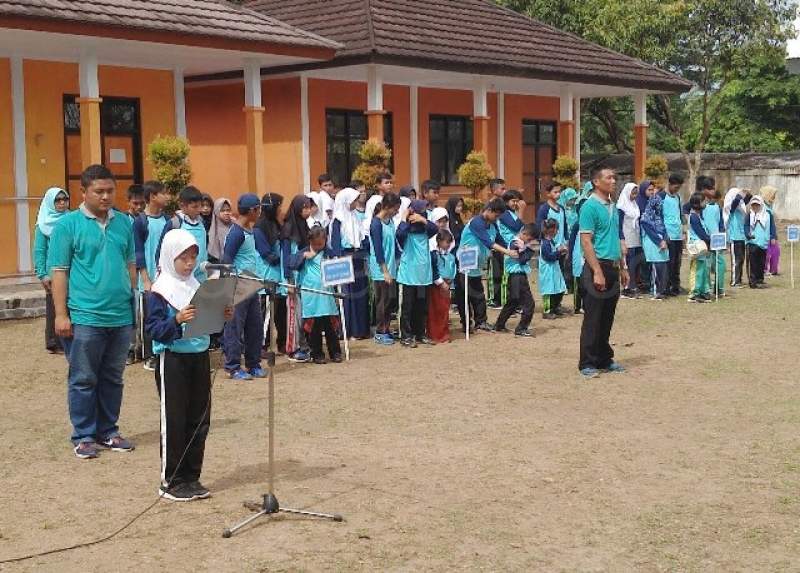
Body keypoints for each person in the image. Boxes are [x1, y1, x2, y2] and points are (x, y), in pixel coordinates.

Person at [49, 164, 137, 459]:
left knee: (113, 377)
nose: (105, 196)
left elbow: (130, 265)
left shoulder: (124, 222)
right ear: (83, 192)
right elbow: (59, 272)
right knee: (84, 377)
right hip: (85, 315)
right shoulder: (67, 226)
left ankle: (108, 431)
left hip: (120, 316)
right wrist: (61, 314)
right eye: (98, 191)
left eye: (110, 191)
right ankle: (84, 435)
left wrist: (133, 300)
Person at [145, 229, 233, 501]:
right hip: (173, 360)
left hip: (199, 356)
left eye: (194, 257)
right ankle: (171, 480)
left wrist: (222, 315)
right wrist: (177, 320)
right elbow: (153, 329)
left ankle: (192, 476)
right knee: (175, 420)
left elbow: (209, 328)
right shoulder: (159, 292)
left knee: (199, 418)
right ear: (171, 256)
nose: (189, 263)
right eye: (183, 257)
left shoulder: (197, 286)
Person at [578, 166, 628, 378]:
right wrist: (597, 271)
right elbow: (586, 241)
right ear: (596, 182)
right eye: (609, 177)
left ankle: (604, 358)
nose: (614, 181)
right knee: (593, 316)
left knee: (607, 315)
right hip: (596, 266)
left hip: (613, 266)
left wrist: (623, 266)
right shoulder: (589, 207)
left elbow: (616, 238)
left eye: (614, 177)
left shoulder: (613, 207)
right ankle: (587, 362)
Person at [222, 194, 266, 380]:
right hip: (238, 287)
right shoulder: (236, 233)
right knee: (234, 328)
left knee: (254, 327)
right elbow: (226, 260)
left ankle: (253, 364)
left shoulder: (250, 231)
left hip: (252, 285)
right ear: (251, 211)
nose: (260, 212)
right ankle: (233, 366)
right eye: (258, 209)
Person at [458, 198, 518, 332]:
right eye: (496, 215)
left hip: (477, 266)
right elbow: (488, 242)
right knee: (465, 296)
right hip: (465, 265)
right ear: (489, 210)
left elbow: (500, 240)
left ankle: (481, 322)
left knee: (479, 295)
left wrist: (515, 245)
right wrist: (508, 252)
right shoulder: (476, 223)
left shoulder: (493, 224)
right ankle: (466, 324)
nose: (497, 219)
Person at [288, 226, 343, 364]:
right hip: (311, 297)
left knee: (330, 327)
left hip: (326, 297)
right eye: (315, 244)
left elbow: (338, 268)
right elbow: (291, 264)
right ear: (310, 241)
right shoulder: (303, 252)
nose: (318, 246)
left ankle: (335, 352)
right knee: (314, 329)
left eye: (321, 243)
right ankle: (317, 353)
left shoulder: (328, 253)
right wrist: (303, 257)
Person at [133, 181, 170, 370]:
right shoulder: (140, 222)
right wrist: (146, 279)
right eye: (164, 193)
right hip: (149, 280)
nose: (168, 197)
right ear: (153, 196)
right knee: (149, 317)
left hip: (165, 279)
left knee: (164, 315)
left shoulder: (168, 221)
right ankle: (150, 355)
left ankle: (162, 350)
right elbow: (138, 252)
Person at [396, 200, 439, 347]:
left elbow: (435, 229)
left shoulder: (426, 229)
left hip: (424, 274)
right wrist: (404, 216)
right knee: (407, 307)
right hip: (408, 275)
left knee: (422, 306)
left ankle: (420, 333)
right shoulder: (406, 229)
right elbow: (399, 233)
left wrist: (423, 220)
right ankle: (406, 336)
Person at [330, 187, 370, 340]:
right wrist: (339, 260)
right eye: (352, 200)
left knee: (360, 293)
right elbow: (335, 243)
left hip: (358, 257)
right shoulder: (338, 220)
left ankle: (361, 329)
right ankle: (348, 329)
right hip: (345, 258)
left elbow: (361, 237)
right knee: (348, 295)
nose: (355, 203)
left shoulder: (354, 217)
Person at [33, 187, 70, 353]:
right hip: (52, 272)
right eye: (58, 200)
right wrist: (42, 274)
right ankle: (54, 342)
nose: (62, 203)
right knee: (54, 306)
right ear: (50, 203)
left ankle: (69, 337)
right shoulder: (43, 224)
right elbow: (39, 250)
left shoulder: (72, 219)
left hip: (72, 270)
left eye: (64, 199)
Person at [281, 195, 314, 362]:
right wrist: (288, 281)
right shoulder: (288, 229)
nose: (308, 211)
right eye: (305, 207)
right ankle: (292, 349)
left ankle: (304, 345)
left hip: (303, 277)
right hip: (292, 278)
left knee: (304, 314)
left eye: (309, 207)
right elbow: (286, 257)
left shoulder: (304, 225)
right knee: (294, 315)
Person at [157, 186, 209, 283]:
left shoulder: (202, 222)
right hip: (181, 277)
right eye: (194, 207)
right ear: (182, 206)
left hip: (201, 277)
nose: (199, 210)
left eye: (200, 206)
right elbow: (161, 249)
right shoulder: (175, 224)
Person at [369, 192, 401, 346]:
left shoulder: (391, 222)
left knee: (390, 300)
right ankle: (380, 331)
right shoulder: (376, 224)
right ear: (387, 207)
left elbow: (393, 244)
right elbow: (378, 249)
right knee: (382, 300)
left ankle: (386, 328)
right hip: (380, 269)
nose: (397, 212)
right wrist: (385, 271)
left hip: (391, 265)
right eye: (395, 208)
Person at [256, 193, 287, 353]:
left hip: (279, 276)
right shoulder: (259, 227)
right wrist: (282, 258)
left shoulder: (277, 224)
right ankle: (263, 345)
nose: (281, 209)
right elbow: (266, 253)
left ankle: (282, 343)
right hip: (267, 276)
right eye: (279, 206)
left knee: (281, 313)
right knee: (266, 314)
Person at [494, 223, 537, 336]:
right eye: (529, 238)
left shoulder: (518, 243)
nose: (529, 241)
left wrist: (526, 250)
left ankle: (499, 324)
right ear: (524, 233)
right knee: (529, 303)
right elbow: (523, 259)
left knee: (513, 301)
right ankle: (521, 328)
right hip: (517, 276)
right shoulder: (516, 243)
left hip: (515, 276)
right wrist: (525, 250)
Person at [536, 183, 569, 312]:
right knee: (550, 278)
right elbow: (540, 226)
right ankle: (549, 307)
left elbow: (565, 227)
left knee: (559, 277)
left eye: (559, 192)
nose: (558, 194)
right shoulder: (544, 209)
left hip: (561, 247)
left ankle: (557, 305)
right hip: (551, 247)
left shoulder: (561, 208)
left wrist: (566, 243)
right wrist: (545, 242)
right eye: (555, 192)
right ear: (548, 194)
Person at [494, 189, 525, 307]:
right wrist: (521, 211)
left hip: (516, 247)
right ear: (506, 202)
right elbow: (516, 226)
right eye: (513, 201)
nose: (516, 204)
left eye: (518, 201)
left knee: (516, 276)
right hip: (506, 247)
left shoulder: (513, 213)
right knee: (507, 277)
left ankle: (517, 302)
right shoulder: (504, 214)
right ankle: (507, 303)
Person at [639, 183, 670, 300]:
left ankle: (663, 289)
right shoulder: (645, 212)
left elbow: (662, 222)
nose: (652, 192)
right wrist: (659, 241)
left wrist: (664, 238)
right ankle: (656, 290)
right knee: (656, 265)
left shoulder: (657, 209)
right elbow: (646, 226)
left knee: (663, 264)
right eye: (649, 190)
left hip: (661, 238)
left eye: (653, 190)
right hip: (652, 241)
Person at [427, 230, 457, 343]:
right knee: (435, 310)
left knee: (444, 310)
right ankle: (435, 335)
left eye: (450, 242)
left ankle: (444, 333)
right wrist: (440, 282)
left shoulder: (450, 256)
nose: (448, 244)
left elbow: (453, 269)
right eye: (446, 242)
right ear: (439, 241)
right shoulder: (434, 254)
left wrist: (450, 282)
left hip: (447, 285)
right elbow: (433, 270)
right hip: (437, 286)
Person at [700, 180, 726, 297]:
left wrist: (722, 234)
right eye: (711, 189)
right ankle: (706, 288)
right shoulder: (699, 205)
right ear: (704, 190)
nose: (713, 191)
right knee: (706, 264)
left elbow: (720, 223)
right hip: (705, 239)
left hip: (717, 240)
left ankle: (719, 288)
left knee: (720, 263)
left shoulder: (717, 206)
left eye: (713, 189)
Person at [723, 184, 752, 287]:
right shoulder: (731, 209)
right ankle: (735, 281)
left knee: (741, 259)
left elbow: (746, 200)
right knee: (736, 260)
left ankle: (739, 279)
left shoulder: (741, 209)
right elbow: (735, 202)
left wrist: (747, 193)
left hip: (741, 236)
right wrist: (739, 194)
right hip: (734, 237)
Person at [616, 182, 642, 299]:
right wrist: (621, 239)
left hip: (635, 236)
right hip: (626, 237)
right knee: (628, 263)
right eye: (633, 192)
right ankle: (627, 288)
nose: (635, 195)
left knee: (635, 262)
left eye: (636, 193)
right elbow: (619, 225)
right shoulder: (621, 206)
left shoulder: (634, 205)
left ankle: (634, 285)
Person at [744, 195, 775, 289]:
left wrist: (773, 237)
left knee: (761, 262)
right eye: (753, 205)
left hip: (763, 242)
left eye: (757, 205)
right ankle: (753, 282)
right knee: (753, 263)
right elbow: (745, 226)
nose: (755, 207)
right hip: (752, 242)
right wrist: (748, 234)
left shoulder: (768, 214)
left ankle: (760, 280)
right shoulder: (749, 214)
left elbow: (772, 226)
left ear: (761, 205)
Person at [686, 192, 712, 303]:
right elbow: (700, 232)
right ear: (697, 203)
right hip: (697, 246)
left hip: (703, 246)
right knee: (697, 270)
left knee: (704, 270)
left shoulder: (699, 216)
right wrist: (709, 239)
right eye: (703, 201)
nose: (705, 203)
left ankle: (703, 291)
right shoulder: (693, 217)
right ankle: (694, 293)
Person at [540, 219, 568, 319]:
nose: (557, 232)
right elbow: (549, 257)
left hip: (554, 270)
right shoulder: (545, 243)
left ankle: (555, 307)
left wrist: (560, 252)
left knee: (558, 289)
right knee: (548, 291)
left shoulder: (550, 241)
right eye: (556, 229)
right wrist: (559, 252)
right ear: (551, 230)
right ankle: (547, 310)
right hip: (547, 271)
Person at [662, 175, 685, 295]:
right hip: (668, 235)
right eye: (676, 187)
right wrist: (662, 235)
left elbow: (681, 215)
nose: (677, 190)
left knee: (677, 262)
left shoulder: (678, 197)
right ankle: (666, 287)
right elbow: (658, 217)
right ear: (670, 184)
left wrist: (684, 231)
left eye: (679, 188)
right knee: (668, 263)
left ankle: (676, 286)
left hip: (678, 235)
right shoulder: (661, 197)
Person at [760, 186, 781, 276]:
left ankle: (773, 270)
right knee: (767, 254)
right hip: (766, 235)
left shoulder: (769, 206)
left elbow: (772, 224)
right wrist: (772, 236)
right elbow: (769, 224)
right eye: (772, 195)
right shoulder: (764, 208)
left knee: (776, 251)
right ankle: (765, 270)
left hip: (771, 234)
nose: (774, 197)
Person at [207, 198, 233, 264]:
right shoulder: (214, 230)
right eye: (222, 210)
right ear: (216, 211)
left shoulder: (235, 225)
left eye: (228, 210)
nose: (226, 213)